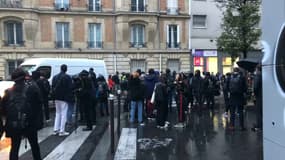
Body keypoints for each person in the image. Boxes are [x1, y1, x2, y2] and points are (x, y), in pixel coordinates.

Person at [0, 68, 42, 160]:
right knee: (34, 146)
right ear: (25, 77)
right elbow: (39, 106)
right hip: (30, 123)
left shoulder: (8, 92)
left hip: (14, 124)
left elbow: (3, 110)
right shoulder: (32, 89)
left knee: (14, 148)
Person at [51, 64, 73, 136]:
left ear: (60, 69)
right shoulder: (67, 77)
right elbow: (70, 88)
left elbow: (53, 86)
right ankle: (62, 131)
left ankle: (55, 129)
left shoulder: (55, 77)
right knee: (64, 114)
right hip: (64, 97)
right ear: (66, 69)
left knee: (57, 113)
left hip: (56, 97)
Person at [252, 65, 262, 132]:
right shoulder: (265, 74)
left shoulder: (258, 75)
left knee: (258, 112)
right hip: (264, 95)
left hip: (259, 95)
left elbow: (255, 87)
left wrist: (254, 94)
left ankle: (259, 126)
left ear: (257, 69)